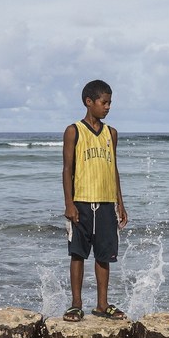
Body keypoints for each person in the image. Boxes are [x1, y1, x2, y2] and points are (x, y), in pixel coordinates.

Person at [61, 79, 129, 321]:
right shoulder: (74, 131)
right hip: (80, 202)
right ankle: (76, 304)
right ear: (89, 102)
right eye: (104, 102)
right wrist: (69, 203)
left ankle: (102, 305)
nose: (108, 107)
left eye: (110, 103)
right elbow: (67, 169)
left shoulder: (112, 133)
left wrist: (120, 203)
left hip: (106, 203)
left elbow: (114, 170)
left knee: (104, 255)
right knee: (78, 253)